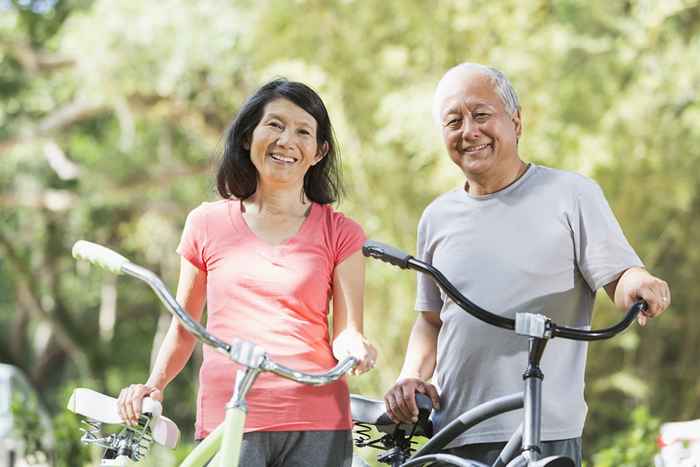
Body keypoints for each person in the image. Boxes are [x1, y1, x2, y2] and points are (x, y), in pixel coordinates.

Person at [383, 63, 670, 466]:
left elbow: (620, 276)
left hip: (541, 429)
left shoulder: (571, 195)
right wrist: (409, 375)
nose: (469, 131)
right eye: (454, 121)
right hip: (455, 431)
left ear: (516, 122)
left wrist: (640, 281)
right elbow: (431, 320)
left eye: (481, 115)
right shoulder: (437, 217)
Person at [116, 79, 377, 467]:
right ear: (246, 137)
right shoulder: (205, 223)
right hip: (231, 415)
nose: (287, 140)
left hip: (318, 418)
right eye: (274, 125)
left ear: (319, 152)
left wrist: (356, 347)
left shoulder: (341, 232)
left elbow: (346, 331)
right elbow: (184, 327)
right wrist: (154, 386)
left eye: (303, 131)